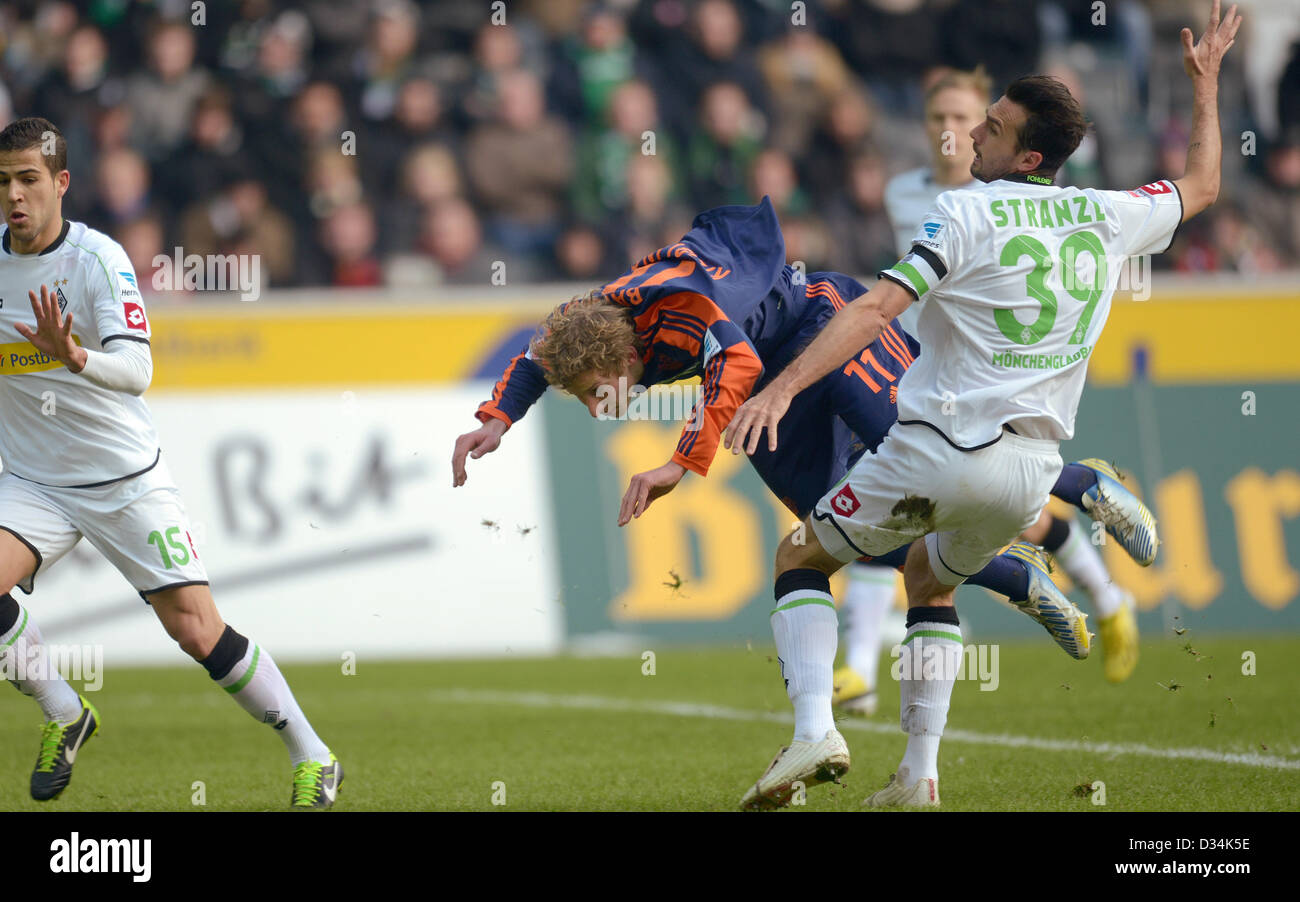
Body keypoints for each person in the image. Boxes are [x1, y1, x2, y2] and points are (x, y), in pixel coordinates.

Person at [723, 1, 1238, 809]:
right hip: (1026, 474)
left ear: (1028, 154)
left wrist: (783, 387)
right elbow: (1205, 184)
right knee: (930, 582)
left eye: (990, 130)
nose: (970, 138)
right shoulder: (1107, 216)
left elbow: (874, 311)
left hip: (937, 447)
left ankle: (817, 729)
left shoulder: (964, 209)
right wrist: (1205, 86)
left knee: (800, 558)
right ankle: (918, 777)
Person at [452, 199, 1154, 672]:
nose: (592, 404)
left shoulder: (682, 305)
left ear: (619, 359)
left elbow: (738, 360)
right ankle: (1018, 579)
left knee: (917, 450)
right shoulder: (596, 327)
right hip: (768, 394)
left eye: (590, 391)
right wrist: (495, 422)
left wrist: (680, 463)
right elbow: (538, 360)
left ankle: (1082, 482)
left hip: (822, 323)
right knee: (843, 530)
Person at [0, 117, 341, 808]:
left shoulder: (97, 261)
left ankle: (314, 755)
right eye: (3, 181)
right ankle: (66, 712)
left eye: (29, 179)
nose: (14, 195)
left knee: (195, 630)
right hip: (34, 481)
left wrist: (75, 357)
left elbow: (138, 368)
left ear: (60, 183)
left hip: (123, 480)